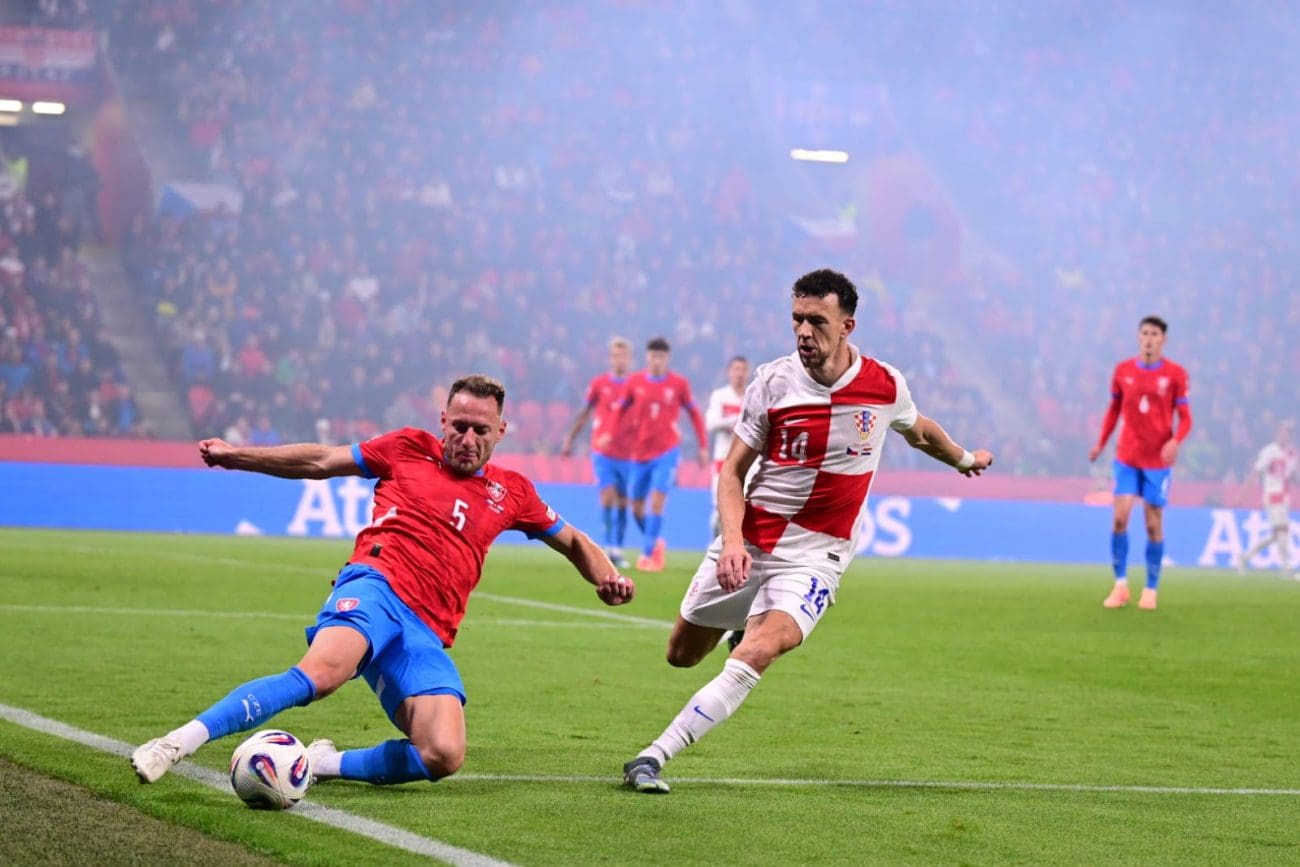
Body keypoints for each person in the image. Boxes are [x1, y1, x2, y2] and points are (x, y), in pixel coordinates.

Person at [132, 375, 635, 789]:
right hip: (375, 586)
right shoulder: (407, 448)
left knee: (443, 753)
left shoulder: (513, 492)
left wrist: (607, 578)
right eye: (459, 426)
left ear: (501, 431)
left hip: (425, 630)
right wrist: (236, 455)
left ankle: (323, 763)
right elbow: (320, 460)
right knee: (321, 675)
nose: (468, 439)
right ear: (443, 421)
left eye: (481, 430)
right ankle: (176, 742)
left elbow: (573, 540)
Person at [621, 269, 993, 793]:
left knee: (760, 650)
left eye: (816, 320)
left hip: (819, 555)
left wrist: (964, 459)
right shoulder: (773, 383)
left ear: (847, 326)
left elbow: (921, 431)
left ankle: (652, 757)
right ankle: (737, 621)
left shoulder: (884, 385)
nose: (803, 331)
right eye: (796, 319)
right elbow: (731, 472)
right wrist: (732, 543)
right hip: (753, 542)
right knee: (680, 654)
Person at [1088, 316, 1192, 611]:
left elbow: (1186, 418)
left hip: (1157, 462)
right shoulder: (1123, 371)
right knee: (1120, 518)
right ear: (1138, 337)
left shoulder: (1175, 374)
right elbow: (1113, 411)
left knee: (1152, 524)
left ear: (1163, 339)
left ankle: (1150, 589)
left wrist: (1176, 441)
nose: (1149, 338)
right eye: (1144, 333)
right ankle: (1120, 585)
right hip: (1127, 458)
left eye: (1154, 334)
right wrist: (1100, 443)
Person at [616, 337, 708, 572]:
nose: (657, 360)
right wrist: (613, 435)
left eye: (661, 357)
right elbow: (619, 412)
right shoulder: (634, 382)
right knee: (636, 508)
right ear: (647, 357)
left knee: (657, 501)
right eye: (653, 356)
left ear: (667, 358)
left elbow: (695, 414)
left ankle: (648, 555)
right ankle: (655, 542)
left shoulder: (679, 384)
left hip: (667, 451)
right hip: (640, 453)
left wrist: (702, 446)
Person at [561, 337, 637, 569]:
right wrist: (570, 438)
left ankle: (617, 549)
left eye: (623, 356)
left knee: (623, 501)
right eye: (615, 355)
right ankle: (608, 547)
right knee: (607, 496)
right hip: (602, 451)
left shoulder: (636, 386)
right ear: (610, 359)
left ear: (630, 359)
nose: (619, 360)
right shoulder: (599, 384)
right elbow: (584, 412)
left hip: (628, 453)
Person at [1236, 422, 1297, 577]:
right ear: (1277, 434)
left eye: (1288, 433)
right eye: (1283, 433)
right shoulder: (1269, 452)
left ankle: (1244, 557)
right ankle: (1287, 568)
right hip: (1272, 495)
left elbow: (1292, 476)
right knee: (1282, 530)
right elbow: (1256, 473)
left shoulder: (1292, 452)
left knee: (1277, 534)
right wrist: (1243, 494)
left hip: (1284, 497)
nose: (1285, 436)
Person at [704, 356, 751, 538]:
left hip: (745, 462)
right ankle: (715, 544)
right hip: (722, 460)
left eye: (743, 369)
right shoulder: (720, 396)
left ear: (748, 372)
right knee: (719, 508)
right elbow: (711, 423)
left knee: (743, 508)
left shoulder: (752, 396)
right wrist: (735, 421)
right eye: (736, 369)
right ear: (729, 372)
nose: (739, 373)